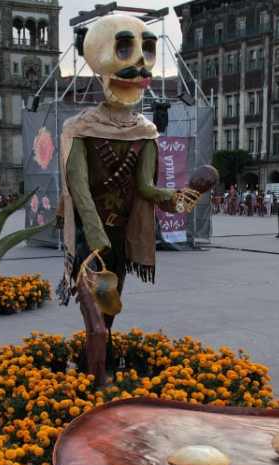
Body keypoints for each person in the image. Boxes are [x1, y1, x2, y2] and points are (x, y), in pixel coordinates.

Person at [57, 14, 202, 387]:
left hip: (120, 239)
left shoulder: (146, 132)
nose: (137, 65)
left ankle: (95, 366)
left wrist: (174, 198)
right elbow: (78, 187)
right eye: (124, 50)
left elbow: (145, 188)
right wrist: (93, 231)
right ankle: (98, 377)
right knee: (96, 318)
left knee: (109, 312)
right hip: (92, 244)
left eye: (144, 53)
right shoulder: (78, 129)